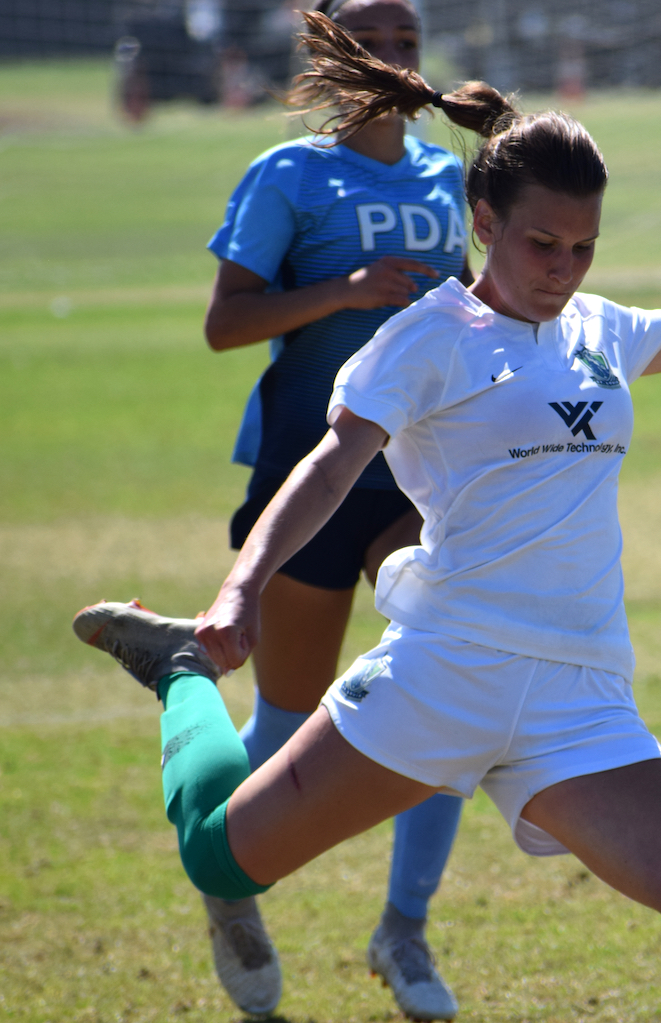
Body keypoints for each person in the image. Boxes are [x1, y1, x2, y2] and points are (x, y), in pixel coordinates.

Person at [73, 13, 661, 1022]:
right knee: (218, 853)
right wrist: (238, 592)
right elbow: (325, 467)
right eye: (540, 242)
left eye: (582, 245)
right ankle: (178, 674)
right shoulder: (425, 338)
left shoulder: (598, 329)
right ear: (482, 221)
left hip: (579, 690)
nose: (562, 266)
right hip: (445, 672)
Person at [199, 0, 469, 1016]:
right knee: (281, 725)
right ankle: (229, 890)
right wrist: (346, 288)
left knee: (450, 683)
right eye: (372, 37)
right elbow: (227, 324)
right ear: (329, 55)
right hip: (307, 478)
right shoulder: (289, 175)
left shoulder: (452, 178)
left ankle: (403, 933)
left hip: (420, 480)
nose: (396, 55)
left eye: (407, 39)